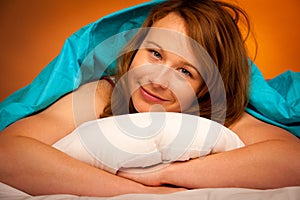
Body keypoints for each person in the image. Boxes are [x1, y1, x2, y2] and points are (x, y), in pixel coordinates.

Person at [0, 0, 299, 197]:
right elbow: (8, 152)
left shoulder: (213, 111)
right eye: (155, 53)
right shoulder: (104, 93)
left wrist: (164, 175)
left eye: (185, 71)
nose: (158, 80)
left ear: (205, 90)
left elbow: (291, 159)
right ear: (135, 48)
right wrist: (137, 192)